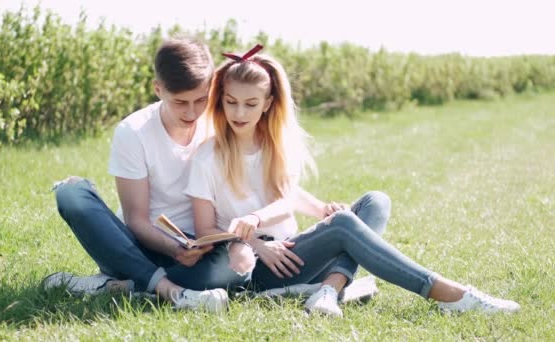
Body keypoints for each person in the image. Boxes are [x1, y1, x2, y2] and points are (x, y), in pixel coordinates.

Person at [184, 44, 521, 317]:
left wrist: (319, 210)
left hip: (296, 251)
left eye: (250, 104)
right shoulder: (206, 156)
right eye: (231, 103)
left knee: (376, 201)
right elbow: (204, 233)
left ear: (268, 104)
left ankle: (329, 290)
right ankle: (449, 293)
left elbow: (285, 197)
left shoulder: (275, 147)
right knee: (345, 224)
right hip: (262, 266)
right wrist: (257, 244)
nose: (239, 113)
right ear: (221, 101)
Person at [43, 38, 251, 312]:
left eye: (201, 100)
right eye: (180, 102)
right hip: (137, 245)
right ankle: (172, 291)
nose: (192, 112)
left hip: (200, 252)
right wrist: (175, 250)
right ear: (158, 89)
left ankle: (124, 285)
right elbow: (136, 220)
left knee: (236, 270)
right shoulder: (133, 132)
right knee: (71, 194)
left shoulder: (221, 125)